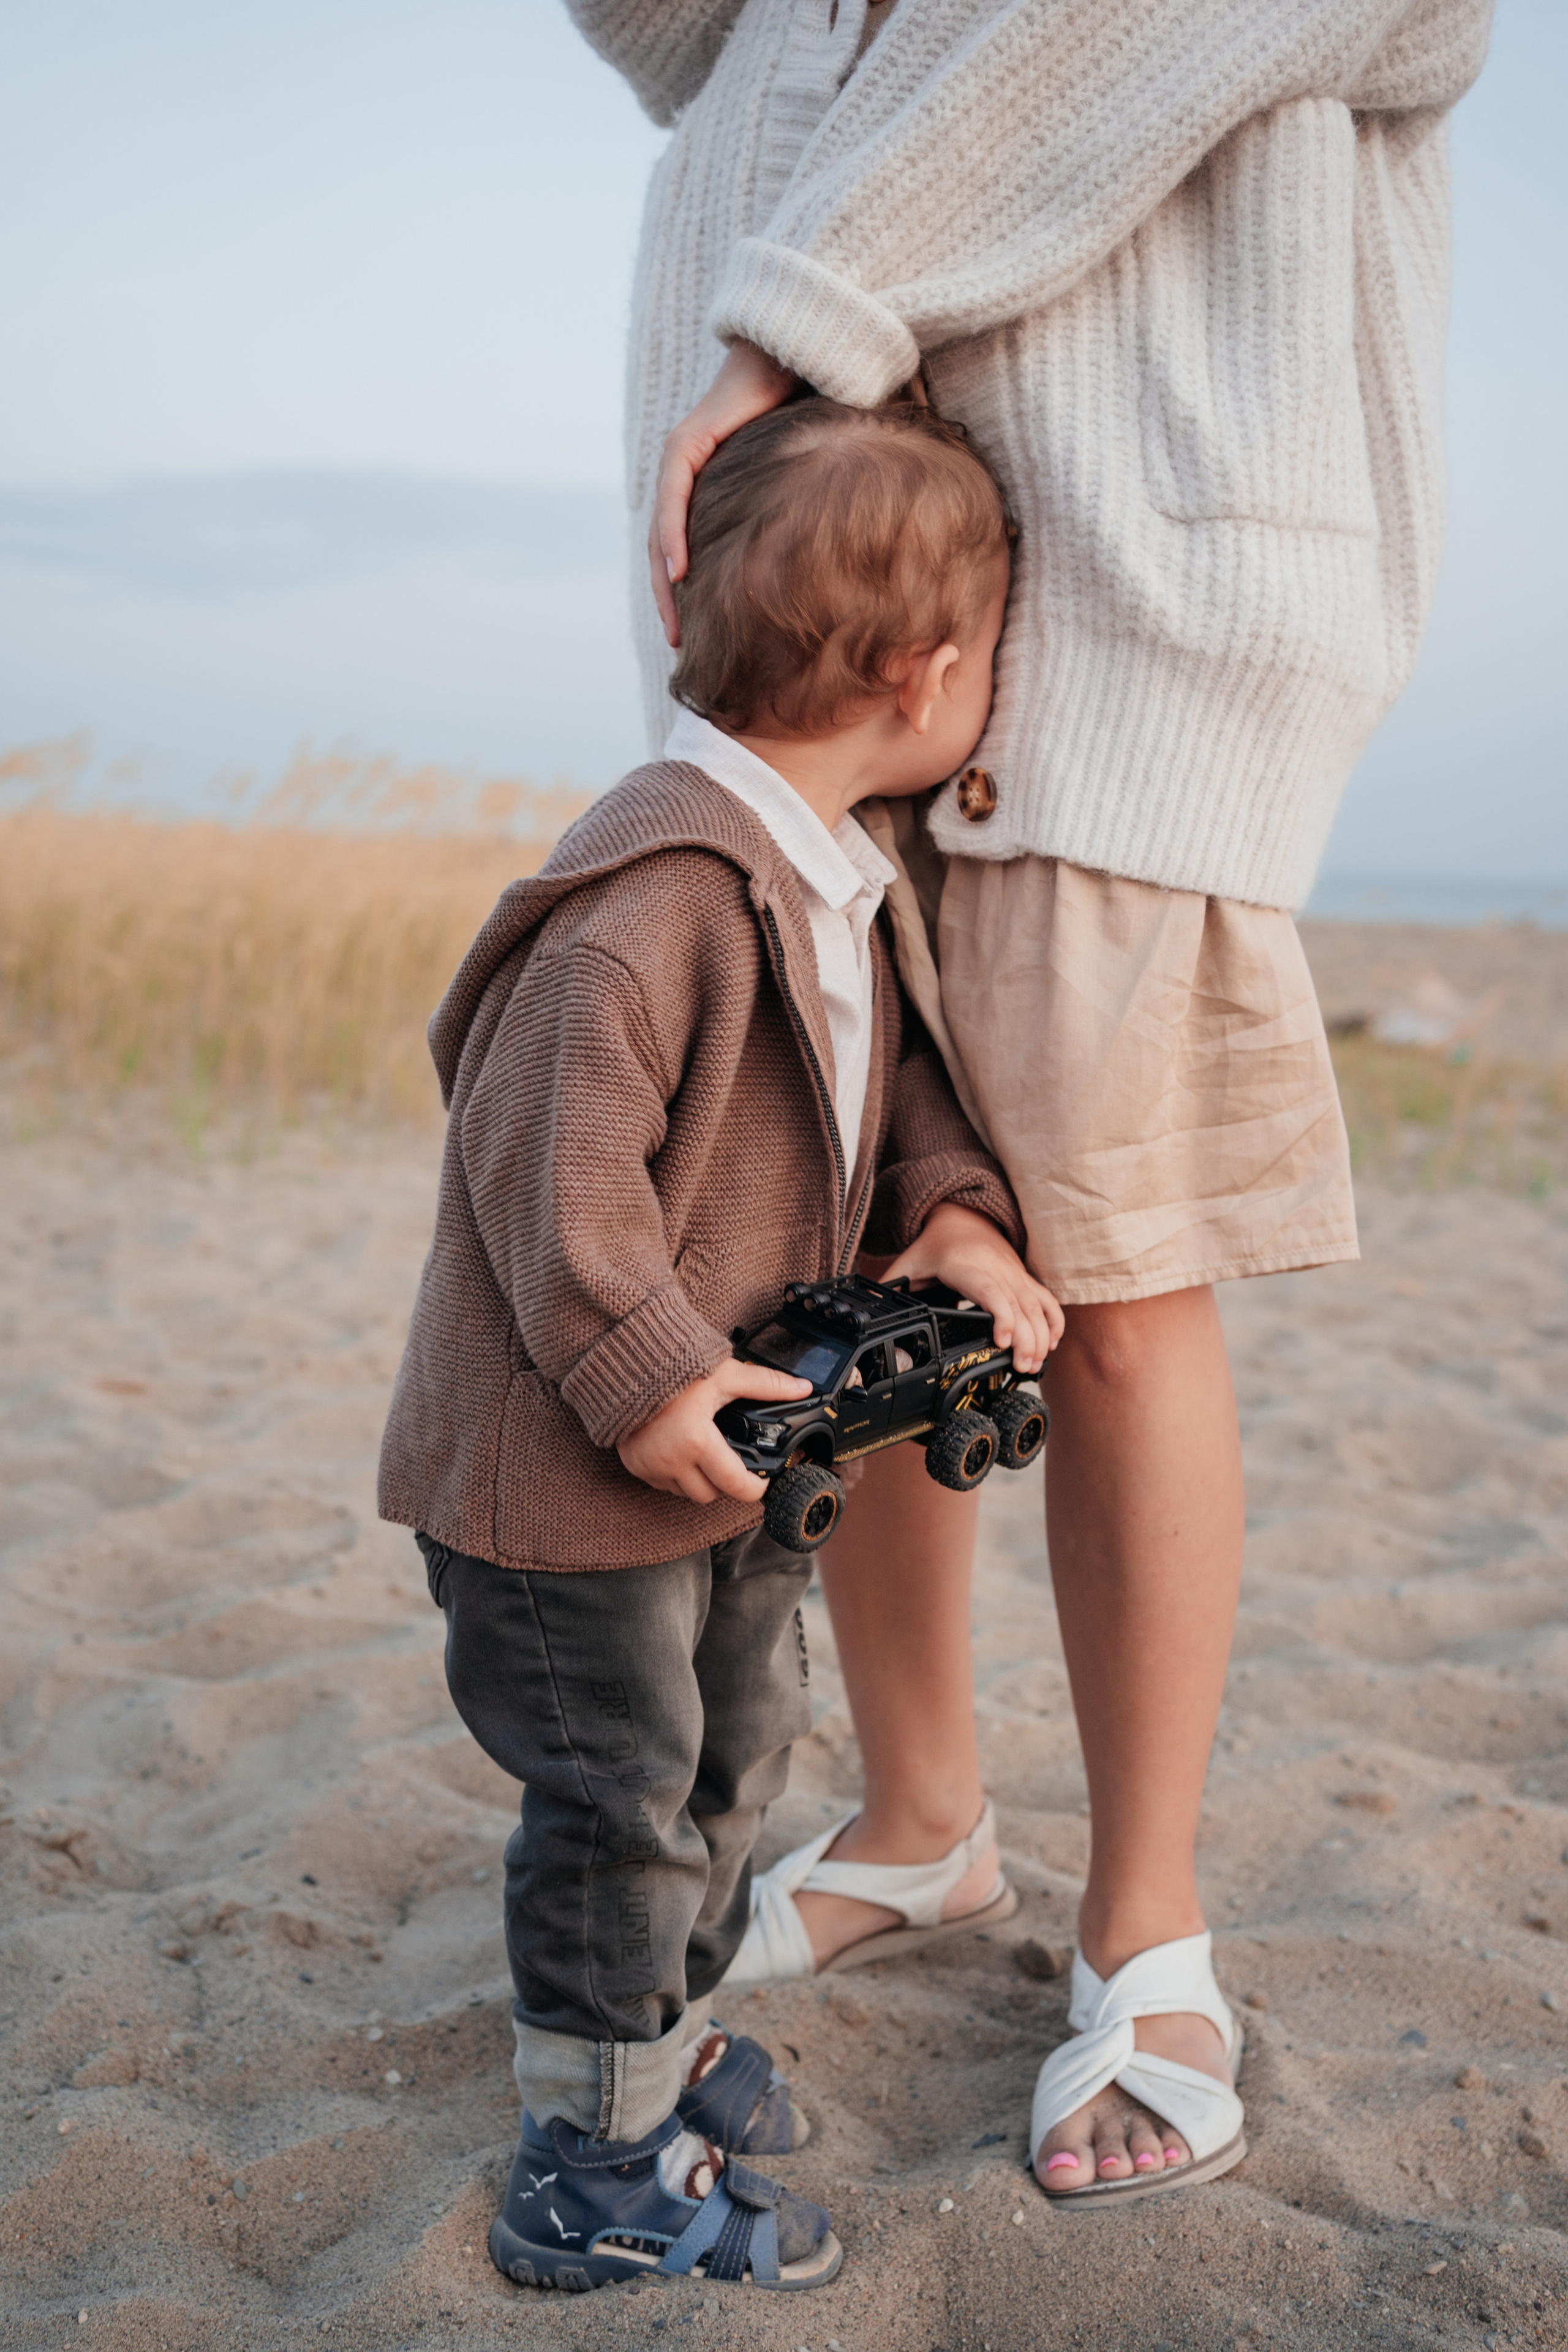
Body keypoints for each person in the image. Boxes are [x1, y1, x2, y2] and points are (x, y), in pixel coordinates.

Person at [567, 0, 1493, 2203]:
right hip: (807, 644)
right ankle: (923, 1821)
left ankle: (1147, 1923)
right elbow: (684, 40)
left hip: (1123, 596)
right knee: (854, 1274)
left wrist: (801, 315)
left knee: (1117, 1283)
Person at [377, 398, 1061, 2288]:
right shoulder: (650, 900)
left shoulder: (833, 877)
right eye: (994, 660)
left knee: (731, 1756)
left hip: (740, 1461)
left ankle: (655, 2053)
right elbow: (545, 1165)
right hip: (572, 1479)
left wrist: (947, 1210)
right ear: (929, 674)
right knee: (617, 1801)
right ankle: (590, 2166)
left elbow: (885, 1081)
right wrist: (649, 1368)